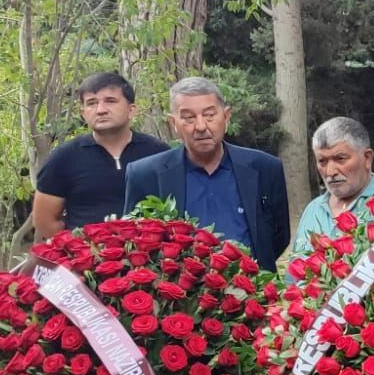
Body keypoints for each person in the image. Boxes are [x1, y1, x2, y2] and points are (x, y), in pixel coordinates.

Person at [124, 77, 290, 272]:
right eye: (188, 118)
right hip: (181, 296)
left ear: (226, 116)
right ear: (173, 123)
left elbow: (279, 236)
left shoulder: (265, 168)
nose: (201, 126)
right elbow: (134, 241)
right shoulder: (145, 174)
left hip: (253, 292)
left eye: (210, 115)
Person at [31, 73, 168, 238]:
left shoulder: (159, 154)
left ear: (131, 110)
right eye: (91, 103)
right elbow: (44, 221)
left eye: (110, 101)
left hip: (149, 258)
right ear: (83, 114)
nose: (101, 110)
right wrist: (79, 249)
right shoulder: (63, 158)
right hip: (86, 259)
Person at [293, 117, 374, 256]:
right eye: (322, 161)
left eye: (340, 159)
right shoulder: (312, 210)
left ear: (367, 158)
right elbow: (294, 273)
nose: (330, 172)